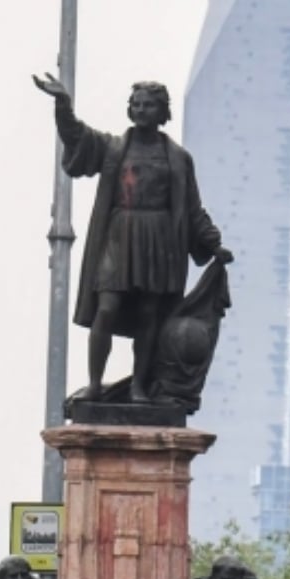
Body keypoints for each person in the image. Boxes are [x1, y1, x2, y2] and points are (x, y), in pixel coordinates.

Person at [33, 73, 234, 403]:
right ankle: (96, 384)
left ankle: (140, 386)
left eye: (149, 105)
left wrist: (213, 244)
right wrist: (63, 106)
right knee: (107, 307)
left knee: (148, 314)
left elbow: (193, 208)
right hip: (119, 236)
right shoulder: (113, 147)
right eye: (136, 105)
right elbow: (77, 137)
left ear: (162, 111)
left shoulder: (178, 158)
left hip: (159, 240)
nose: (141, 110)